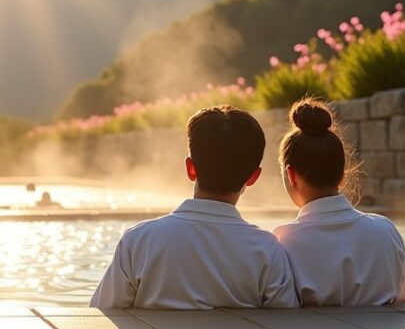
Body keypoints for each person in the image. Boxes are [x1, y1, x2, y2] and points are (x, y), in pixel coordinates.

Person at [90, 105, 298, 309]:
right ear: (254, 177)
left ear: (190, 169)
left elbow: (99, 317)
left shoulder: (139, 241)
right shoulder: (267, 250)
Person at [273, 99, 405, 306]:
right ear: (342, 175)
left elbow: (278, 314)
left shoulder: (282, 241)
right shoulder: (386, 232)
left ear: (291, 175)